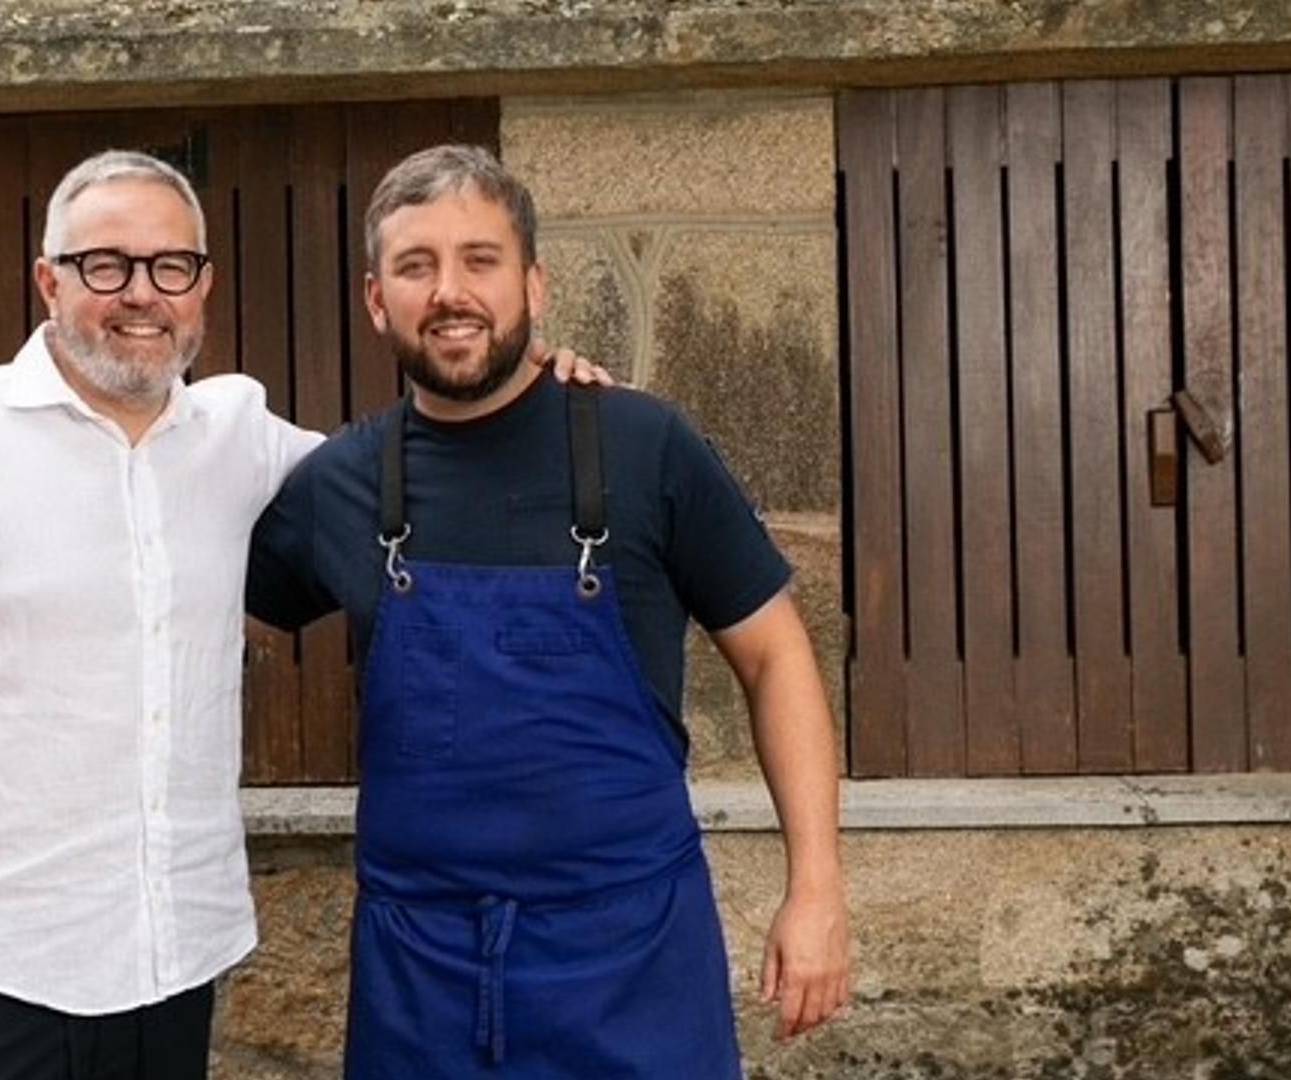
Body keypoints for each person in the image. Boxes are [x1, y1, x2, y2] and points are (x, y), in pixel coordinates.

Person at [0, 148, 603, 1080]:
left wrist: (528, 386)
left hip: (166, 965)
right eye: (106, 266)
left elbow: (414, 479)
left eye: (172, 267)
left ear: (201, 288)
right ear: (49, 281)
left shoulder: (239, 443)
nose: (142, 294)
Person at [246, 144, 853, 1078]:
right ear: (378, 300)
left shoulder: (644, 446)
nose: (450, 291)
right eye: (416, 266)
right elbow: (204, 619)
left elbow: (777, 657)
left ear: (536, 283)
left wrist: (816, 889)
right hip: (421, 979)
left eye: (480, 260)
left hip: (633, 965)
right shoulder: (341, 484)